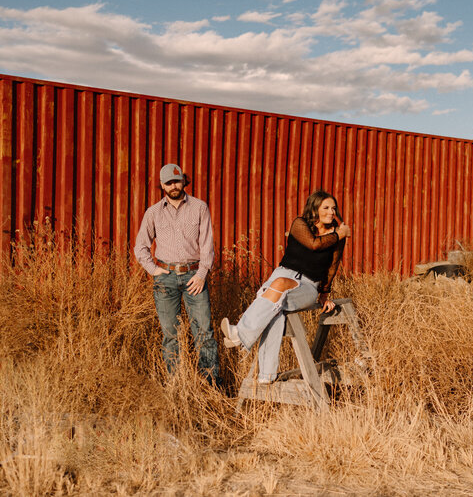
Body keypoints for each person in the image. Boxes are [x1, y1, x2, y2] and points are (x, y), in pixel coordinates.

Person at [220, 190, 350, 384]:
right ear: (315, 208)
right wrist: (339, 234)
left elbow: (332, 267)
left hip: (308, 285)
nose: (331, 212)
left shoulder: (336, 237)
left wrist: (324, 293)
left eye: (333, 208)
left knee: (276, 295)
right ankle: (267, 375)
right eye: (326, 207)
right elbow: (313, 244)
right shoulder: (300, 224)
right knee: (275, 308)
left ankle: (240, 334)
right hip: (283, 274)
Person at [134, 163, 220, 385]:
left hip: (194, 277)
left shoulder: (200, 207)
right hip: (167, 278)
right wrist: (154, 271)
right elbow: (140, 247)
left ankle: (209, 385)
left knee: (204, 333)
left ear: (184, 181)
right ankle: (175, 385)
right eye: (169, 182)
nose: (174, 185)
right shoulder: (153, 213)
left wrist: (202, 274)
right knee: (171, 336)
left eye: (177, 180)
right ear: (162, 185)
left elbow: (207, 244)